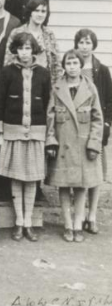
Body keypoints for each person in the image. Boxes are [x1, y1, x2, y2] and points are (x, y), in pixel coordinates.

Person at [0, 31, 51, 242]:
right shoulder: (8, 72)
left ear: (33, 50)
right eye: (21, 48)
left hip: (36, 132)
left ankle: (29, 222)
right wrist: (1, 132)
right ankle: (18, 222)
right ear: (15, 51)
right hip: (13, 131)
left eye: (28, 48)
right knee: (17, 177)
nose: (25, 53)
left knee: (31, 178)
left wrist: (48, 135)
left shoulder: (44, 73)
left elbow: (48, 105)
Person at [45, 50, 103, 243]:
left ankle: (78, 224)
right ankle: (68, 224)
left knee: (80, 186)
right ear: (64, 66)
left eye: (75, 63)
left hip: (83, 146)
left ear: (80, 66)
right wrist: (51, 141)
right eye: (68, 63)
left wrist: (94, 143)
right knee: (63, 185)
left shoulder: (90, 88)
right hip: (63, 146)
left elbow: (97, 119)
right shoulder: (57, 89)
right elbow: (50, 117)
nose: (72, 67)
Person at [74, 29, 112, 235]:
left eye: (88, 42)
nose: (84, 46)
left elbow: (108, 101)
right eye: (81, 43)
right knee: (80, 173)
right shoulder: (71, 67)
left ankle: (92, 216)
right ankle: (78, 215)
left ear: (93, 45)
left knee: (95, 174)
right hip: (76, 130)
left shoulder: (102, 70)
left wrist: (107, 125)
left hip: (95, 129)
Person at [5, 0, 62, 85]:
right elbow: (8, 61)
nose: (40, 14)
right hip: (21, 82)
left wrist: (57, 85)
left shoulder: (49, 34)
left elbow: (56, 62)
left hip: (44, 83)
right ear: (30, 12)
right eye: (36, 10)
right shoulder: (17, 32)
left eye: (43, 11)